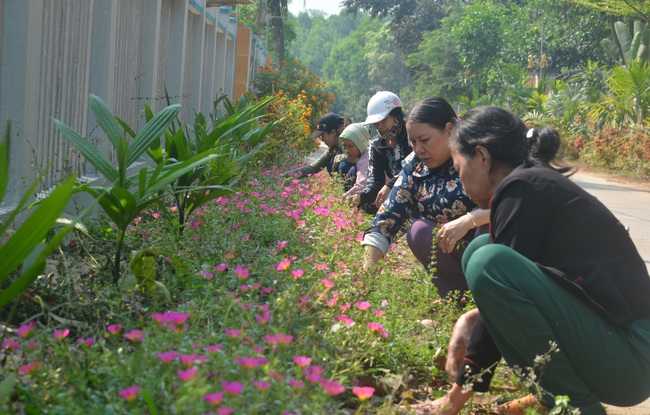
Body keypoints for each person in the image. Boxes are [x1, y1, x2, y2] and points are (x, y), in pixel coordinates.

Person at [423, 106, 650, 415]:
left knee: (486, 261)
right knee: (481, 250)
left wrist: (455, 398)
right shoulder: (530, 185)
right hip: (622, 351)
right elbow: (519, 298)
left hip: (632, 355)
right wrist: (470, 319)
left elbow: (499, 279)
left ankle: (577, 408)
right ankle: (550, 399)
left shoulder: (523, 188)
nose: (459, 177)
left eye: (459, 164)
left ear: (482, 156)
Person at [360, 97, 489, 301]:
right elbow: (386, 220)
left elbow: (514, 203)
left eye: (425, 140)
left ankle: (496, 296)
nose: (418, 149)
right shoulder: (416, 167)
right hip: (459, 253)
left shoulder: (481, 154)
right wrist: (363, 281)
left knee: (487, 230)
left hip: (498, 251)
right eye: (413, 142)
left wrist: (470, 220)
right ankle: (462, 298)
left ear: (449, 129)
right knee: (419, 231)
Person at [351, 91, 412, 214]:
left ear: (396, 115)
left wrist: (390, 185)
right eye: (376, 123)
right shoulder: (377, 146)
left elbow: (415, 167)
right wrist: (361, 196)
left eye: (383, 121)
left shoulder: (412, 138)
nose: (380, 126)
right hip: (400, 196)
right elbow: (375, 182)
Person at [283, 112, 352, 179]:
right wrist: (285, 176)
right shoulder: (333, 149)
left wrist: (339, 159)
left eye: (322, 136)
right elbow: (313, 168)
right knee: (331, 162)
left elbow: (356, 160)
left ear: (333, 132)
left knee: (343, 166)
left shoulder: (349, 143)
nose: (322, 139)